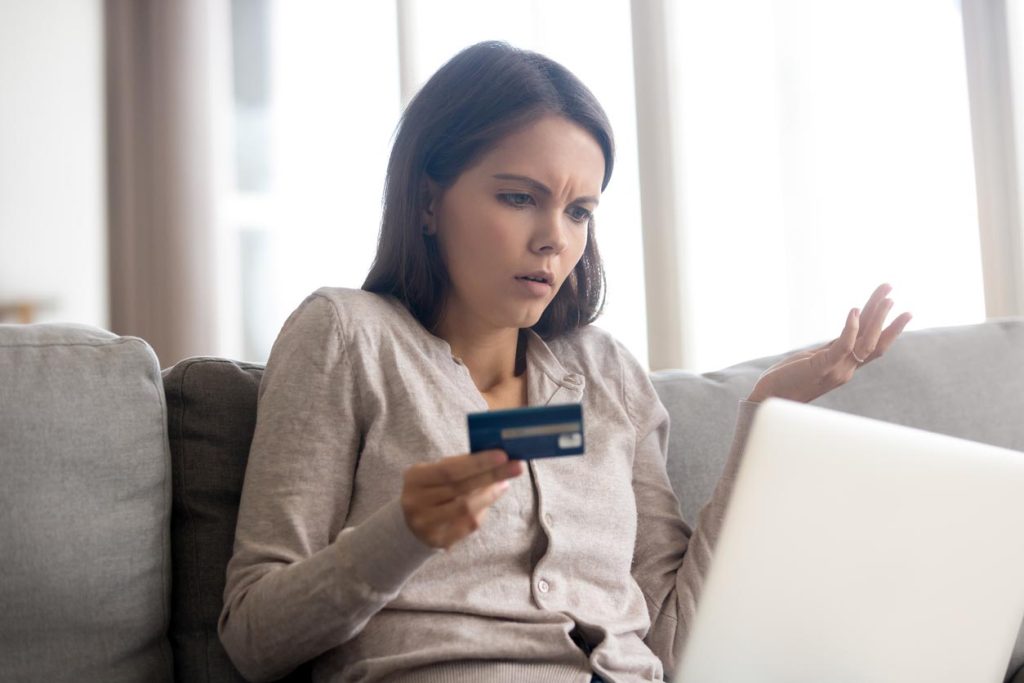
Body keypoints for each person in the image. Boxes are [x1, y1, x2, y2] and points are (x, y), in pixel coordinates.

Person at [218, 41, 912, 683]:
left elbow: (670, 642)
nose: (553, 239)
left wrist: (767, 418)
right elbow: (252, 635)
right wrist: (401, 535)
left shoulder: (607, 374)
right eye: (519, 198)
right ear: (428, 200)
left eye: (579, 211)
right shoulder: (346, 336)